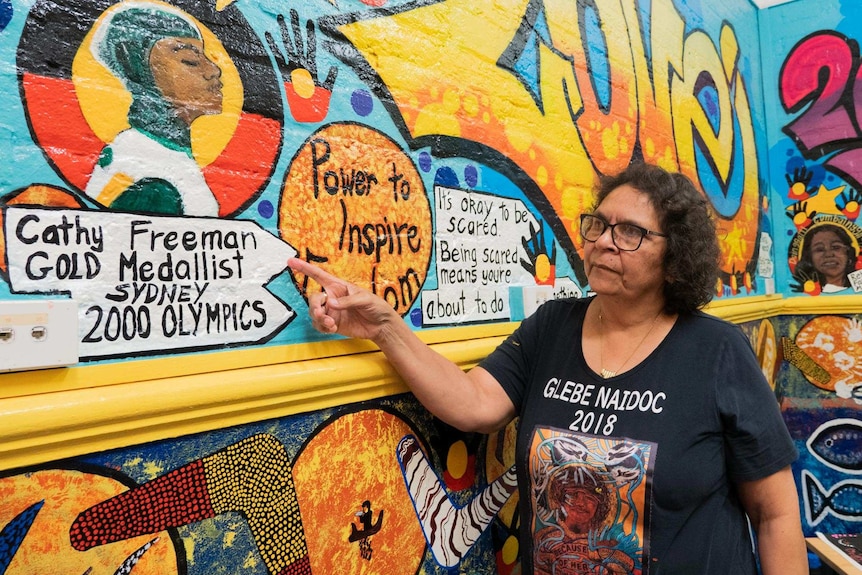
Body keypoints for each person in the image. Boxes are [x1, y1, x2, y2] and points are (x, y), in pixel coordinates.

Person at [288, 162, 807, 574]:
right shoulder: (554, 325)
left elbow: (775, 514)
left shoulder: (716, 352)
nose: (603, 240)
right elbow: (473, 405)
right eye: (598, 224)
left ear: (676, 257)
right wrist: (384, 327)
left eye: (629, 232)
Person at [85, 2, 223, 216]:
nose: (213, 70)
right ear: (143, 76)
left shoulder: (163, 155)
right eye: (191, 61)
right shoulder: (152, 182)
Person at [796, 223, 858, 292]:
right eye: (820, 249)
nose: (828, 254)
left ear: (848, 253)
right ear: (809, 257)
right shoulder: (802, 292)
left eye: (836, 247)